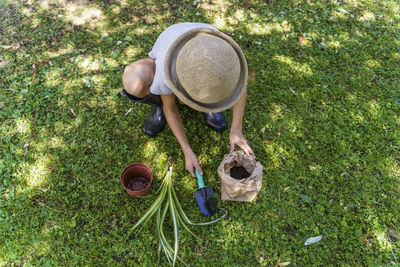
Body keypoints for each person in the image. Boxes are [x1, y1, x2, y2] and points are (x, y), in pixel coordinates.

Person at [120, 23, 254, 177]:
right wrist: (187, 150)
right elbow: (170, 109)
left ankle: (209, 106)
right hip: (173, 42)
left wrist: (236, 128)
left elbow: (240, 85)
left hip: (206, 46)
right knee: (135, 85)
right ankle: (158, 105)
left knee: (213, 84)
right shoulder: (165, 76)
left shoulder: (225, 57)